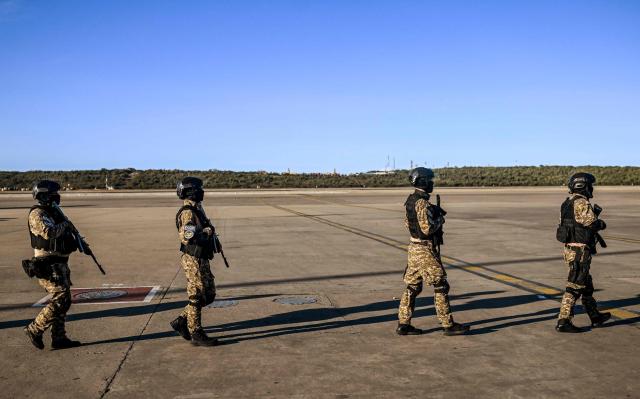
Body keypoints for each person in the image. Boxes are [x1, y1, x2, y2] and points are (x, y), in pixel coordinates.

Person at [397, 168, 469, 336]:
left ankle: (403, 323)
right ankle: (447, 324)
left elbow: (407, 224)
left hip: (413, 248)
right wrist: (439, 220)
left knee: (413, 286)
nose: (432, 182)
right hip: (424, 250)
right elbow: (427, 229)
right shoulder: (422, 203)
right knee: (441, 285)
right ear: (422, 181)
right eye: (429, 179)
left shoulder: (410, 200)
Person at [23, 180, 81, 350]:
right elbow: (49, 233)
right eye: (54, 193)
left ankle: (59, 337)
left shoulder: (53, 212)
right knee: (60, 298)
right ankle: (34, 329)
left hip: (60, 264)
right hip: (46, 264)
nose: (57, 196)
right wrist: (66, 224)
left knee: (65, 300)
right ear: (44, 194)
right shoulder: (37, 214)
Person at [555, 172, 611, 332]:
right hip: (579, 250)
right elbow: (591, 223)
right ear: (583, 186)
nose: (591, 188)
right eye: (590, 185)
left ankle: (595, 316)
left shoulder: (566, 203)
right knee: (575, 285)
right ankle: (563, 321)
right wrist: (600, 223)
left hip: (570, 249)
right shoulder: (581, 202)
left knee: (586, 286)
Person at [170, 177, 220, 346]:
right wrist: (206, 233)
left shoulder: (198, 208)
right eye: (200, 189)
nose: (202, 191)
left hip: (202, 257)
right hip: (193, 258)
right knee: (197, 295)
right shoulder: (188, 212)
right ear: (192, 191)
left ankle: (182, 321)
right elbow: (187, 237)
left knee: (209, 294)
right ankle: (196, 332)